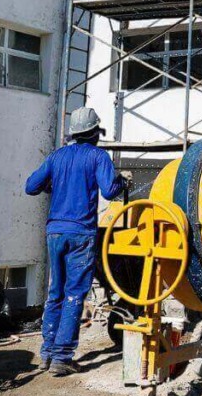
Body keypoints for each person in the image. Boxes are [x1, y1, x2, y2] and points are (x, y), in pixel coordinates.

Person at [25, 107, 129, 375]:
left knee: (55, 292)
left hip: (55, 233)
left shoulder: (57, 156)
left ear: (73, 133)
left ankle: (47, 353)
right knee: (74, 294)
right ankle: (62, 357)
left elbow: (31, 186)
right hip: (81, 234)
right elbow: (109, 190)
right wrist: (122, 181)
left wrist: (55, 186)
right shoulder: (98, 156)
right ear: (94, 133)